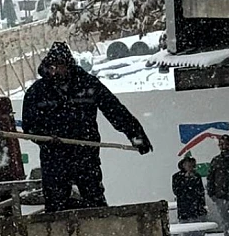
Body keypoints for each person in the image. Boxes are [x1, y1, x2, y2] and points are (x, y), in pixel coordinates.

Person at [22, 42, 153, 213]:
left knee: (95, 202)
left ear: (69, 65)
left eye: (60, 66)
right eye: (53, 67)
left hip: (85, 154)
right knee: (55, 206)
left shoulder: (87, 85)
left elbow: (114, 110)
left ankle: (99, 229)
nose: (56, 71)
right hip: (54, 157)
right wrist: (47, 138)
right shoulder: (37, 92)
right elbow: (30, 125)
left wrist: (136, 134)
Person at [172, 155, 209, 236]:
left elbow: (200, 192)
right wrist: (187, 181)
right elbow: (177, 191)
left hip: (197, 211)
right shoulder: (176, 177)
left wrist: (203, 207)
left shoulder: (196, 176)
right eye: (187, 164)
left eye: (192, 164)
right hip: (184, 212)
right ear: (182, 165)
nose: (190, 166)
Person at [207, 135, 229, 236]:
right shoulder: (216, 160)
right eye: (221, 144)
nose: (223, 146)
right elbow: (210, 179)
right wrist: (213, 195)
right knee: (227, 227)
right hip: (222, 199)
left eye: (226, 144)